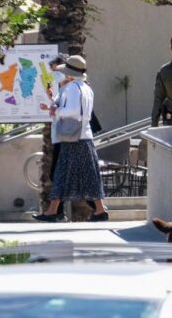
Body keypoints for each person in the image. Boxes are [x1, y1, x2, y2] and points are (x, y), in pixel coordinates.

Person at [33, 55, 108, 222]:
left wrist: (56, 111)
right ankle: (99, 210)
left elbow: (73, 110)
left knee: (62, 173)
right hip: (83, 136)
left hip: (73, 137)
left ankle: (53, 211)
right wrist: (54, 104)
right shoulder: (86, 88)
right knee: (89, 174)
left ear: (70, 72)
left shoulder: (72, 88)